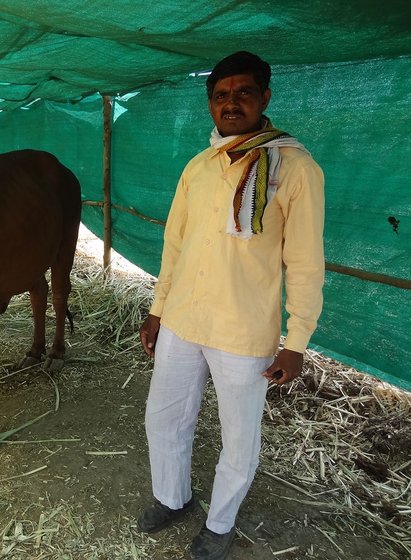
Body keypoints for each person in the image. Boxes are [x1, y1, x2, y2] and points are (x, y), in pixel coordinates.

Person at [136, 51, 325, 560]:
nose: (232, 103)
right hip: (183, 318)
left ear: (265, 98)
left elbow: (305, 264)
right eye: (221, 96)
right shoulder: (199, 166)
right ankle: (172, 498)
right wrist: (157, 309)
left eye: (243, 93)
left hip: (243, 329)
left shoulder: (295, 167)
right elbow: (175, 245)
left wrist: (297, 340)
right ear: (210, 106)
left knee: (239, 435)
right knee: (164, 415)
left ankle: (220, 525)